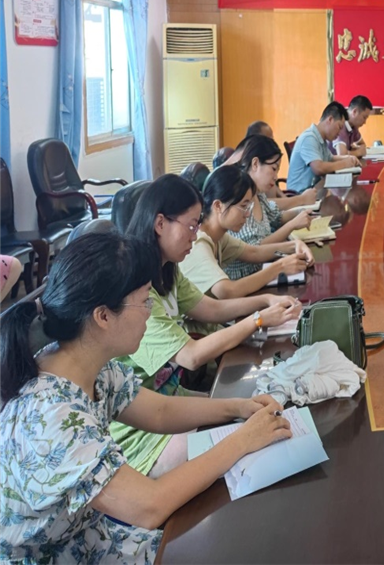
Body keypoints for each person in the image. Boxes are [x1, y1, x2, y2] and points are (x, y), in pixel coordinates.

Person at [0, 232, 292, 563]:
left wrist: (238, 407)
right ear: (103, 316)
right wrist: (242, 440)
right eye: (144, 302)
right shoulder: (50, 416)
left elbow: (159, 411)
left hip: (85, 538)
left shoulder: (85, 364)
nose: (149, 312)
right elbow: (148, 506)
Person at [113, 174, 300, 477]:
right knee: (244, 441)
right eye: (191, 226)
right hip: (140, 430)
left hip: (170, 400)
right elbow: (191, 356)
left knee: (253, 412)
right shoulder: (136, 288)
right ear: (160, 223)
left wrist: (264, 302)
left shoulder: (167, 269)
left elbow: (210, 307)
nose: (196, 234)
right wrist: (258, 320)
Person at [179, 165, 313, 297]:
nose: (248, 214)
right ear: (218, 206)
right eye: (243, 206)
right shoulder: (198, 242)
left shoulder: (219, 236)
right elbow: (227, 291)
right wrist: (279, 268)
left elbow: (254, 252)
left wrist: (294, 245)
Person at [226, 135, 315, 280]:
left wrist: (303, 212)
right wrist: (293, 224)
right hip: (246, 279)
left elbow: (276, 217)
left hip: (264, 270)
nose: (276, 177)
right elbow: (254, 249)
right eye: (273, 169)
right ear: (255, 164)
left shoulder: (258, 193)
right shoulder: (241, 198)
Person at [286, 101, 362, 192]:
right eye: (339, 127)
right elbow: (318, 168)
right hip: (300, 194)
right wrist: (344, 164)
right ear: (330, 120)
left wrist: (349, 158)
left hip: (315, 189)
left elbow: (330, 158)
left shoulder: (321, 138)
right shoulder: (309, 138)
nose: (339, 133)